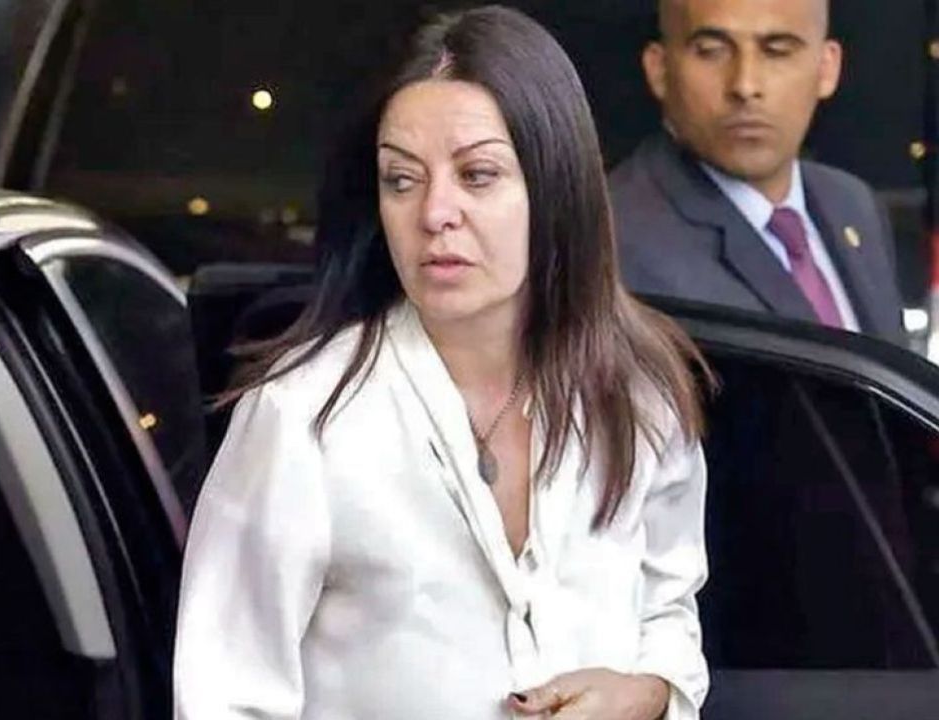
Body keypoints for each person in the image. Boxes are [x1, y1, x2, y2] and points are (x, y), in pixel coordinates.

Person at [174, 6, 711, 720]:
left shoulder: (639, 394)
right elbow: (223, 698)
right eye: (401, 180)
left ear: (555, 189)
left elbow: (670, 606)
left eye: (477, 175)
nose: (434, 213)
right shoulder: (303, 418)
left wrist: (648, 694)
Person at [609, 0, 905, 345]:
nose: (745, 85)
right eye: (711, 51)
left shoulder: (851, 202)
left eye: (777, 52)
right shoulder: (615, 240)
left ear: (827, 68)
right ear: (659, 68)